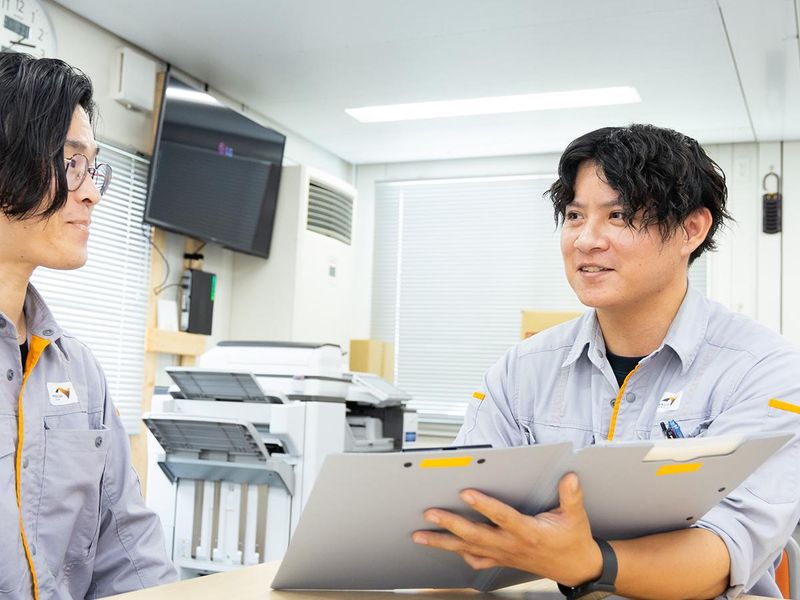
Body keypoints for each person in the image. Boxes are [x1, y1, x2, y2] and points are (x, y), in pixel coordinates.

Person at [412, 124, 800, 600]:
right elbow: (461, 520)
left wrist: (590, 563)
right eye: (575, 216)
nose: (586, 240)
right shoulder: (522, 370)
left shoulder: (765, 370)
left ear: (691, 229)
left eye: (618, 215)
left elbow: (725, 552)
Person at [0, 52, 177, 598]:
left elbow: (128, 551)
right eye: (70, 162)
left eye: (91, 167)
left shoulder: (79, 372)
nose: (92, 192)